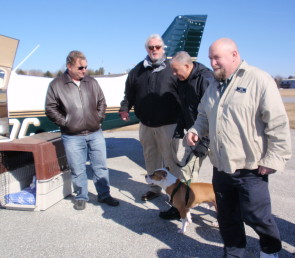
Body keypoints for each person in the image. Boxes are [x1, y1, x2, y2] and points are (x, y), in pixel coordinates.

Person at [186, 38, 292, 257]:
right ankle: (234, 253)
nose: (212, 63)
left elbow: (278, 122)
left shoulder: (259, 80)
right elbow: (204, 115)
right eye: (210, 58)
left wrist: (273, 159)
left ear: (234, 55)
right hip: (221, 166)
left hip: (251, 167)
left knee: (257, 216)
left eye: (217, 58)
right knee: (227, 217)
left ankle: (270, 251)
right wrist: (196, 130)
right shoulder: (214, 84)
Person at [45, 50, 119, 210]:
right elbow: (50, 109)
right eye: (80, 68)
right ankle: (81, 196)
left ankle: (104, 195)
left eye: (85, 67)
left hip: (95, 133)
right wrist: (66, 122)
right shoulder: (56, 85)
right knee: (77, 168)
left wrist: (98, 118)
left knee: (100, 167)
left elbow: (102, 102)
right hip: (72, 136)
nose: (84, 70)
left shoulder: (91, 82)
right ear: (69, 66)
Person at [119, 34, 181, 201]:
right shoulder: (137, 71)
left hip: (169, 124)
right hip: (146, 124)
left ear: (163, 48)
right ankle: (154, 188)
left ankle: (175, 193)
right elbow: (129, 94)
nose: (154, 50)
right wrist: (125, 108)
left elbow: (184, 94)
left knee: (171, 160)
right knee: (151, 158)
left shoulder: (172, 69)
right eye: (151, 47)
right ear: (147, 49)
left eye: (157, 47)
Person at [159, 51, 218, 220]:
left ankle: (182, 207)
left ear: (187, 65)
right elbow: (185, 108)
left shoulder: (206, 79)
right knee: (186, 172)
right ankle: (182, 205)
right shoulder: (183, 81)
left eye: (176, 70)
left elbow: (211, 112)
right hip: (194, 134)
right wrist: (180, 128)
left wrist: (204, 140)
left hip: (207, 136)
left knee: (196, 175)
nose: (174, 74)